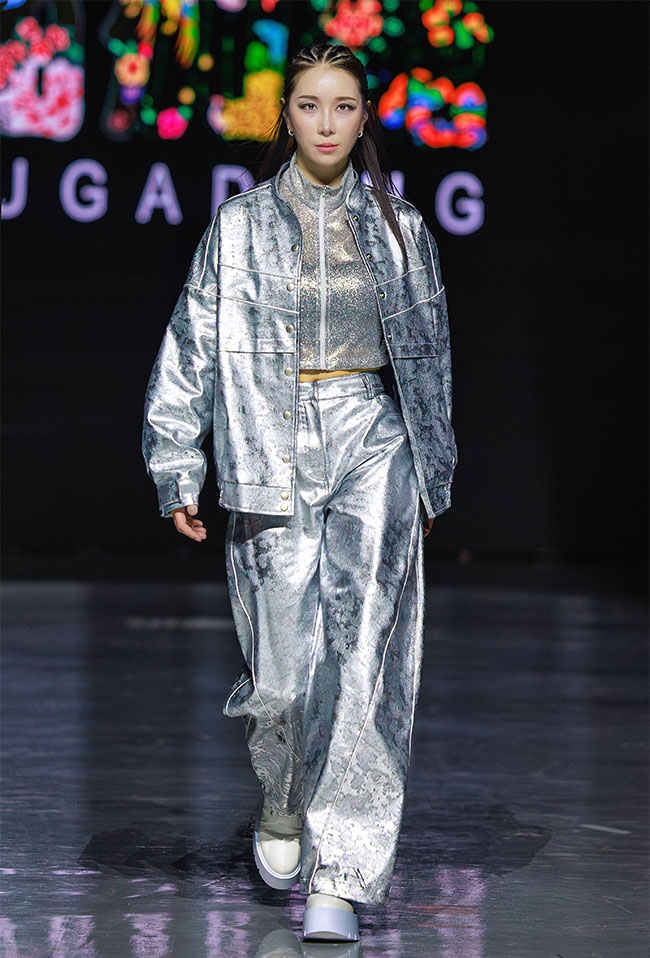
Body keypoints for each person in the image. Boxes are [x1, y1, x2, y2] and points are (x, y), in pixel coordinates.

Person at [142, 40, 457, 944]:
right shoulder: (239, 226)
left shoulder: (401, 229)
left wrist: (432, 470)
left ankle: (342, 876)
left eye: (344, 106)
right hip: (265, 440)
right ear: (286, 116)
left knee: (366, 662)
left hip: (371, 437)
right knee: (280, 678)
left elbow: (429, 359)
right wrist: (176, 462)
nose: (326, 123)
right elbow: (191, 342)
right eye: (310, 105)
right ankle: (281, 796)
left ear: (365, 118)